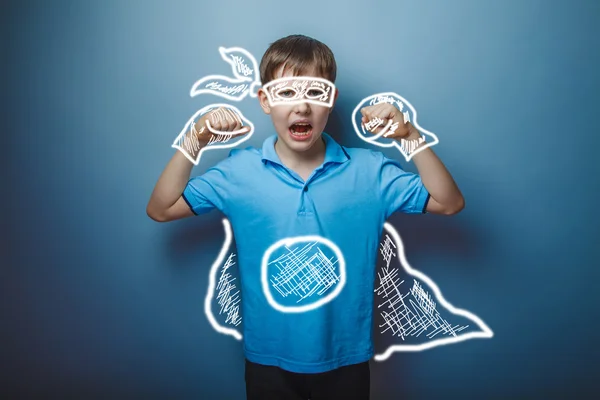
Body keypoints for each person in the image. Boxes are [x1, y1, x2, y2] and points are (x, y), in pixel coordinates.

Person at [146, 34, 464, 400]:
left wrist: (410, 136)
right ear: (264, 100)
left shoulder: (370, 172)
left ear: (332, 101)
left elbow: (448, 202)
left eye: (315, 92)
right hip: (267, 362)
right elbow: (161, 208)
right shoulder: (240, 172)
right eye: (286, 93)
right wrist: (194, 141)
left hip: (346, 360)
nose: (301, 107)